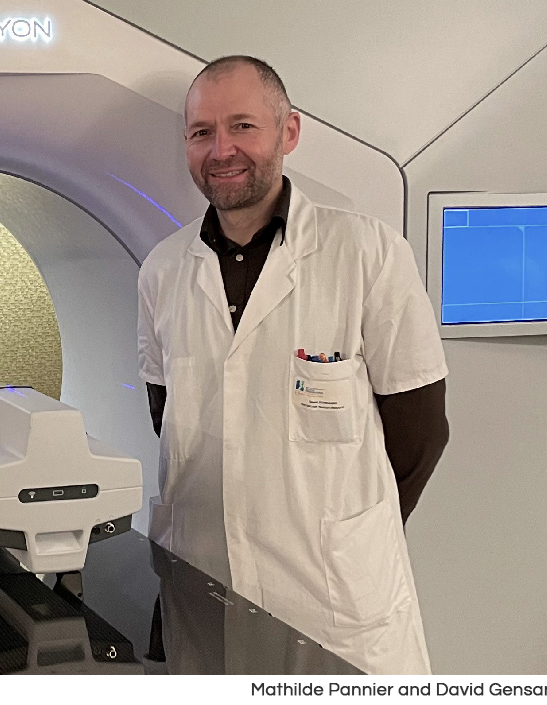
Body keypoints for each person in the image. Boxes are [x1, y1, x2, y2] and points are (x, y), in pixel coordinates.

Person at [137, 56, 449, 675]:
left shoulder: (367, 252)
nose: (221, 149)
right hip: (204, 576)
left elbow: (419, 435)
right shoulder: (163, 270)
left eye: (243, 126)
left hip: (330, 596)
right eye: (202, 132)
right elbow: (165, 415)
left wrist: (343, 533)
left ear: (289, 133)